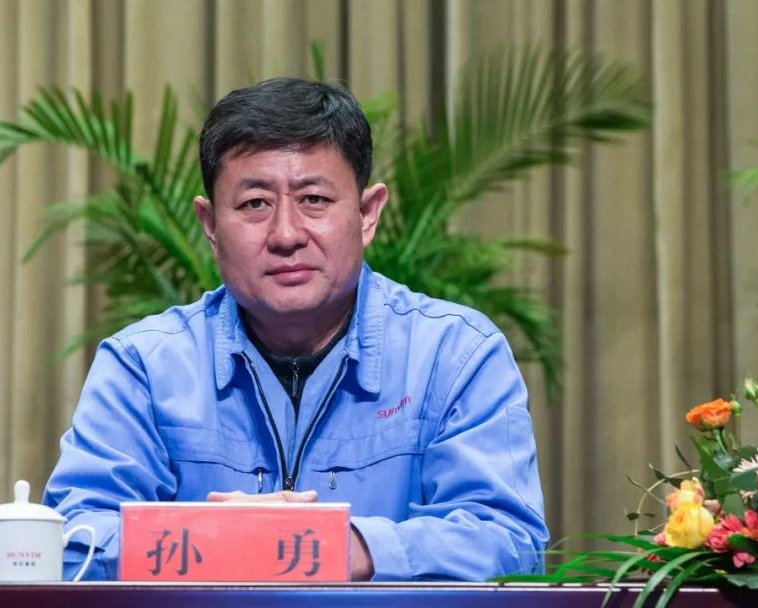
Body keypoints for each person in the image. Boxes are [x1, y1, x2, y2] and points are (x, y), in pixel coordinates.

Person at [42, 77, 548, 581]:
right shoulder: (145, 365)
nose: (286, 234)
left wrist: (337, 546)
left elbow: (507, 540)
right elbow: (71, 544)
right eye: (255, 204)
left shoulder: (454, 354)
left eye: (314, 199)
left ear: (367, 214)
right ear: (211, 225)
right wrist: (218, 540)